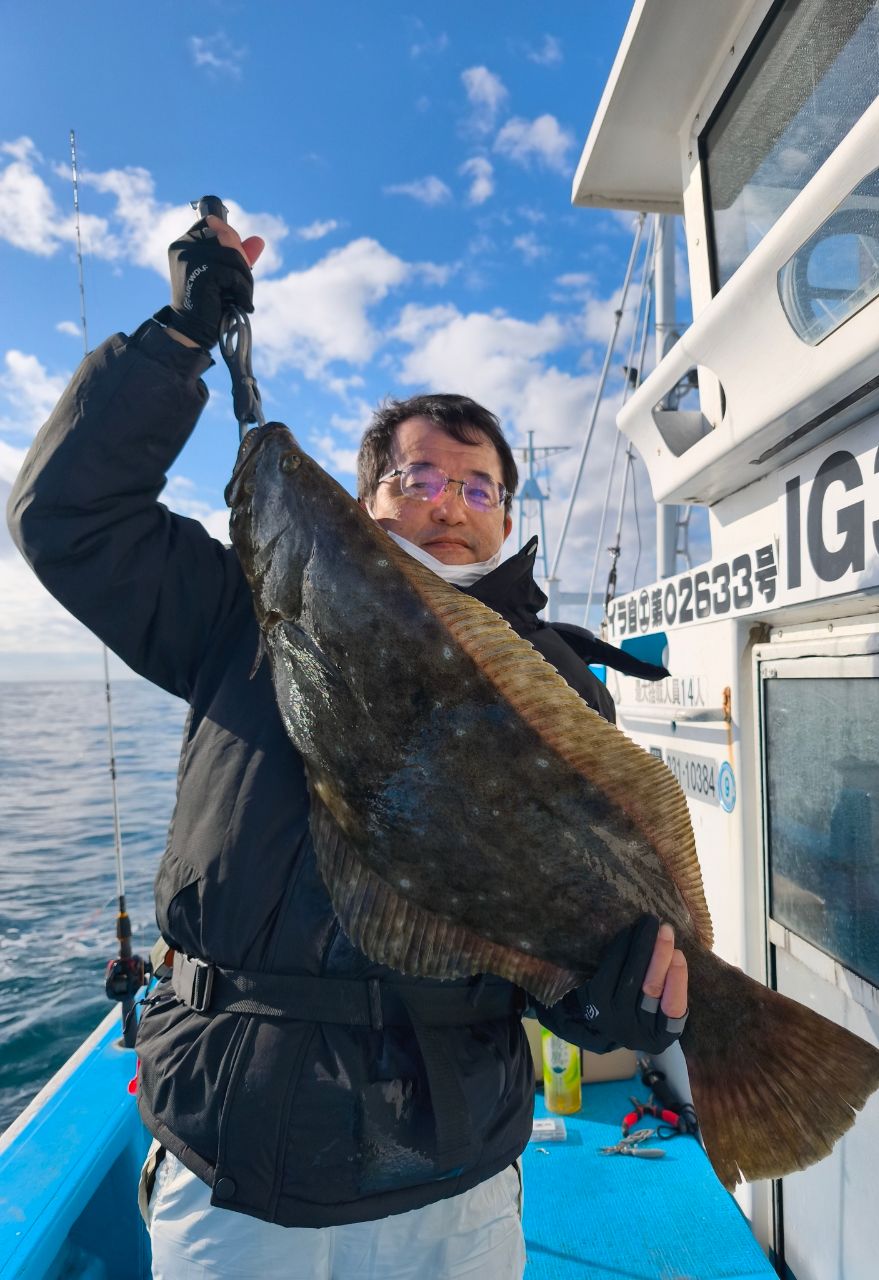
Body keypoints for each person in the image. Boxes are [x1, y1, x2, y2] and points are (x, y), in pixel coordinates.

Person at [7, 213, 688, 1279]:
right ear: (367, 501)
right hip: (238, 1164)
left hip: (457, 1183)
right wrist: (179, 340)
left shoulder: (556, 683)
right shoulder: (242, 612)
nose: (451, 505)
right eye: (418, 479)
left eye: (479, 487)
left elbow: (566, 937)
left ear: (507, 517)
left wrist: (610, 1000)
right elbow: (68, 516)